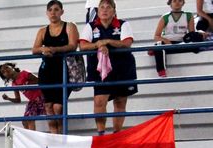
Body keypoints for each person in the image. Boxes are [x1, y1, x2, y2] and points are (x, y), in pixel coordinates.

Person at [79, 0, 137, 135]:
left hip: (123, 68)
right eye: (102, 7)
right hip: (100, 70)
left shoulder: (123, 24)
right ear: (98, 10)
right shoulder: (90, 26)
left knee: (120, 101)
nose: (105, 10)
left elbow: (127, 43)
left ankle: (117, 133)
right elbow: (83, 45)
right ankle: (101, 134)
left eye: (108, 7)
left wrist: (108, 42)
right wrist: (98, 44)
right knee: (99, 101)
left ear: (114, 10)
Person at [32, 0, 80, 134]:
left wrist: (55, 49)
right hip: (46, 71)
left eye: (56, 9)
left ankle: (62, 134)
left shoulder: (70, 26)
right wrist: (44, 49)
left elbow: (73, 45)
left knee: (58, 107)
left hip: (64, 70)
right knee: (48, 106)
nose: (53, 13)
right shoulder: (42, 31)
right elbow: (34, 49)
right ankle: (54, 136)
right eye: (50, 10)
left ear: (62, 12)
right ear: (47, 13)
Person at [154, 0, 199, 78]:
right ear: (170, 3)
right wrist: (166, 41)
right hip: (168, 43)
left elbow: (191, 34)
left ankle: (156, 51)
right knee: (158, 46)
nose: (177, 3)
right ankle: (161, 71)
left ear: (183, 3)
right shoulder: (165, 17)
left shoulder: (188, 15)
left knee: (195, 43)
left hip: (181, 43)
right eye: (174, 1)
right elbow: (156, 36)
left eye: (180, 1)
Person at [0, 63, 45, 131]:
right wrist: (8, 98)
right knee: (25, 121)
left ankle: (32, 135)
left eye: (6, 67)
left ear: (12, 67)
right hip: (33, 101)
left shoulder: (24, 73)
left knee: (32, 117)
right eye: (3, 72)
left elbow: (38, 80)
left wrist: (27, 84)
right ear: (5, 77)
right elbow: (18, 100)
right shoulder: (14, 84)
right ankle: (29, 135)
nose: (6, 70)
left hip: (41, 97)